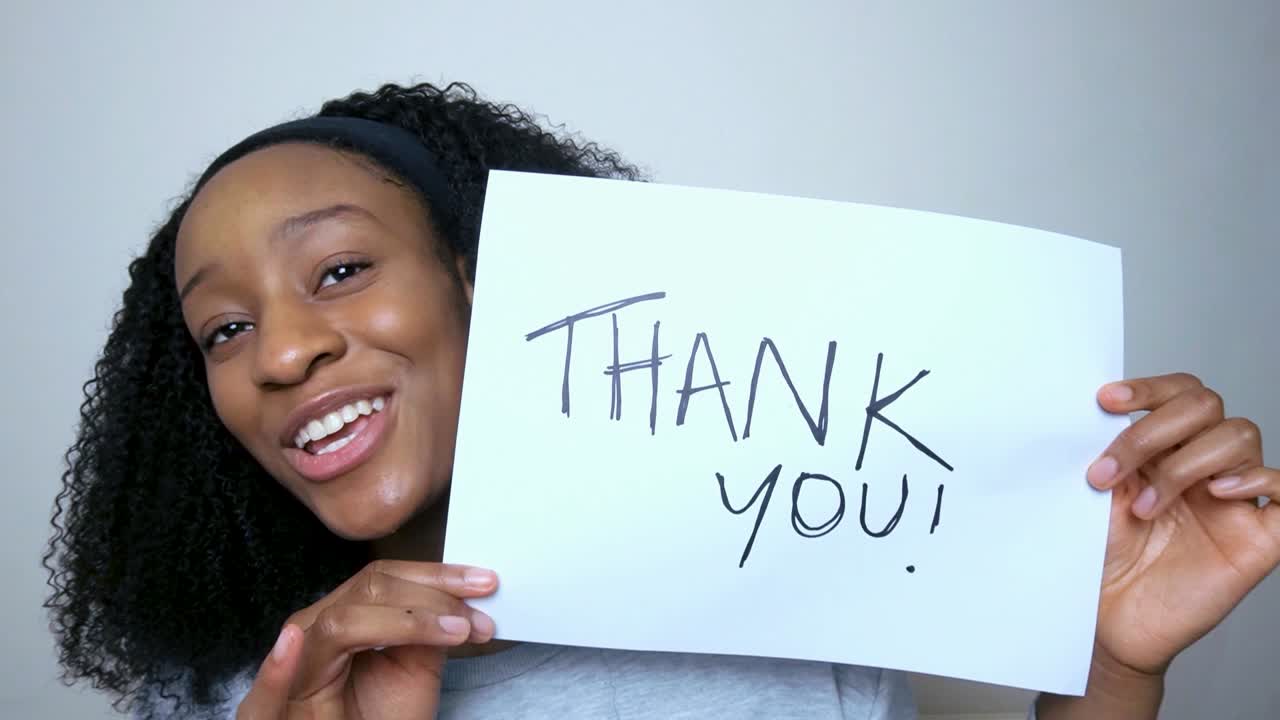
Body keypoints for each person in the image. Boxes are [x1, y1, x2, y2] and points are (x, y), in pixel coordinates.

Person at [44, 81, 1278, 720]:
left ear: (479, 283)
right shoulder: (226, 689)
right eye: (226, 328)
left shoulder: (789, 641)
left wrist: (1108, 671)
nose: (282, 353)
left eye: (343, 270)